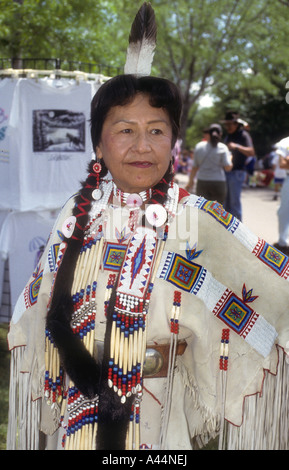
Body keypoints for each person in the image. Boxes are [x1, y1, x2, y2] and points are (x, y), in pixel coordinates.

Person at [6, 4, 289, 452]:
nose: (143, 146)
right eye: (125, 130)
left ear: (174, 141)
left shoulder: (196, 218)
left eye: (157, 131)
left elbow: (277, 294)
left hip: (158, 418)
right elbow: (38, 310)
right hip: (76, 413)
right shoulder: (72, 215)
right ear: (99, 141)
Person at [185, 123, 232, 205]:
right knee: (218, 212)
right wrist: (230, 157)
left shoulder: (199, 146)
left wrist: (190, 181)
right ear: (220, 134)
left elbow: (195, 167)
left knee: (202, 211)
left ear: (209, 133)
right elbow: (228, 168)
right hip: (218, 182)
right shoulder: (223, 147)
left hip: (202, 181)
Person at [222, 111, 255, 220]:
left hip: (237, 173)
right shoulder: (228, 136)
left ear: (236, 124)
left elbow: (251, 152)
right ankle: (227, 231)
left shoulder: (243, 135)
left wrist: (236, 146)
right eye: (226, 124)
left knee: (234, 203)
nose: (228, 127)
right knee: (226, 204)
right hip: (226, 172)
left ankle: (238, 232)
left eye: (230, 124)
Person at [273, 137, 289, 255]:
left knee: (283, 212)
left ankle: (283, 242)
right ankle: (283, 243)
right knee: (283, 212)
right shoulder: (285, 142)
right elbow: (283, 164)